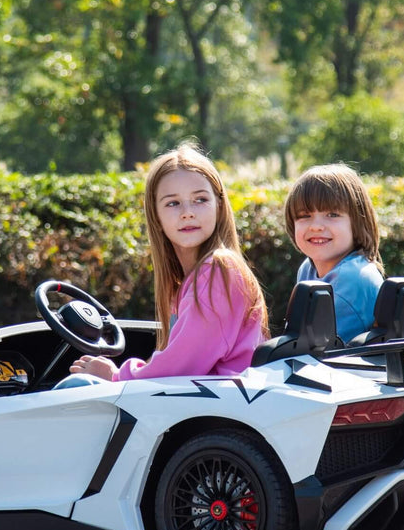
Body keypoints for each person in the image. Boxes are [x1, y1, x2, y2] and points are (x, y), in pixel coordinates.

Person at [68, 142, 269, 382]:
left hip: (222, 413)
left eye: (200, 199)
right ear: (156, 216)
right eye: (173, 203)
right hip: (205, 409)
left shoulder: (219, 269)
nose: (187, 212)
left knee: (76, 384)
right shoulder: (187, 281)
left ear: (219, 205)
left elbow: (181, 369)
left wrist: (115, 375)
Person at [284, 163, 385, 343]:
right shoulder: (308, 267)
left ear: (358, 222)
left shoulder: (353, 277)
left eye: (332, 214)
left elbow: (320, 350)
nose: (316, 226)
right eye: (304, 215)